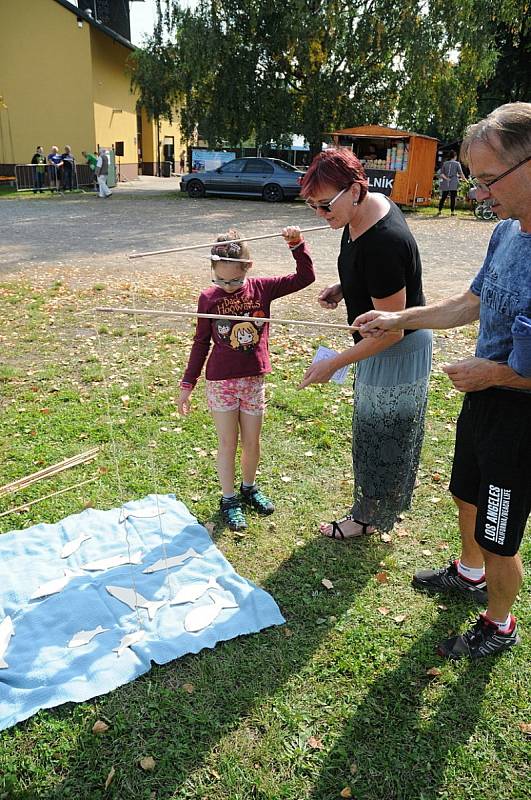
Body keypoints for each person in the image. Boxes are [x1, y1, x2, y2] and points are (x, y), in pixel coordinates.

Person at [355, 102, 531, 660]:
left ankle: (499, 625)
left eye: (487, 180)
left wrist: (494, 373)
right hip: (485, 398)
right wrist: (398, 318)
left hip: (520, 417)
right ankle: (469, 572)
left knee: (500, 529)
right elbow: (470, 302)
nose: (477, 193)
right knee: (466, 494)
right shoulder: (506, 233)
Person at [298, 148, 432, 539]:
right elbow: (376, 278)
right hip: (381, 343)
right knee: (379, 434)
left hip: (396, 350)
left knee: (381, 437)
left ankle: (366, 519)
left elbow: (391, 330)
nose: (321, 216)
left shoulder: (383, 241)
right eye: (312, 207)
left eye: (325, 206)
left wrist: (335, 363)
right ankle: (378, 510)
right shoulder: (362, 211)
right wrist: (345, 287)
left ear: (356, 189)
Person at [178, 227, 315, 531]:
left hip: (253, 381)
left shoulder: (261, 290)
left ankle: (248, 488)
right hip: (221, 384)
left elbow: (305, 278)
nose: (228, 286)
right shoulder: (208, 298)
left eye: (235, 280)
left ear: (247, 268)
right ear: (212, 270)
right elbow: (201, 343)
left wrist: (297, 246)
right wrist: (188, 384)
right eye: (221, 279)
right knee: (229, 442)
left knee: (252, 442)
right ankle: (228, 499)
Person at [437, 150, 465, 216]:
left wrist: (447, 178)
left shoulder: (445, 163)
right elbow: (461, 173)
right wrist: (465, 180)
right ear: (455, 156)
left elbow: (441, 174)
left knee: (443, 197)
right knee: (453, 197)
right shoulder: (457, 163)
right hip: (454, 182)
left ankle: (439, 211)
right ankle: (452, 212)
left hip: (445, 182)